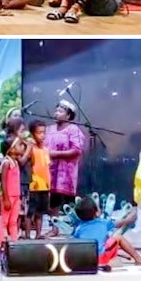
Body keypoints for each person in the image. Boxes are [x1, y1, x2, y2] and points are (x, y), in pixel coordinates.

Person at [43, 100, 85, 238]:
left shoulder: (73, 130)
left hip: (66, 173)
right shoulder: (49, 129)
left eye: (61, 111)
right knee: (52, 202)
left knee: (70, 202)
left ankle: (77, 228)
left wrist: (56, 154)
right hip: (50, 171)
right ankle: (54, 229)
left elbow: (77, 150)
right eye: (56, 110)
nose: (57, 113)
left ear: (68, 116)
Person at [72, 196, 141, 266]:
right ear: (96, 212)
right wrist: (129, 219)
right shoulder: (103, 222)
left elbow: (74, 241)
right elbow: (119, 224)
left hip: (86, 260)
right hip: (100, 258)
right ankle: (138, 259)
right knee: (118, 237)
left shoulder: (79, 228)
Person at [0, 135, 25, 252]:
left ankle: (13, 243)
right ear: (10, 149)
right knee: (4, 220)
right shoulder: (7, 163)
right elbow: (3, 181)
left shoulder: (16, 162)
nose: (20, 147)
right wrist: (6, 198)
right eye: (18, 145)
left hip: (16, 196)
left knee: (13, 221)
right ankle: (0, 243)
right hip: (8, 196)